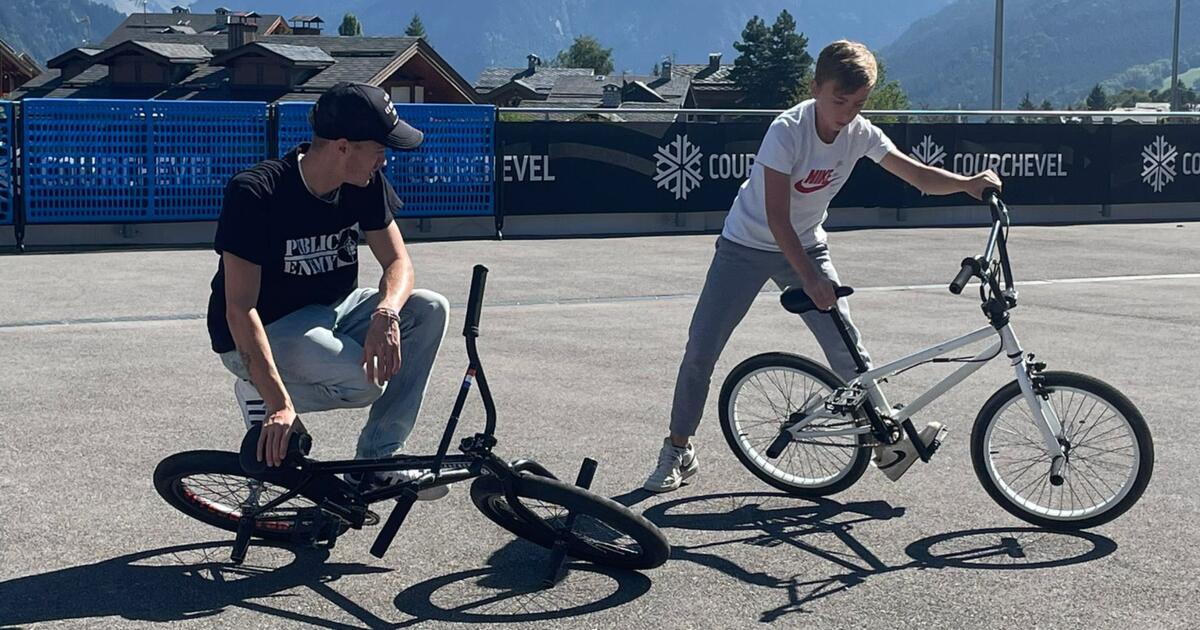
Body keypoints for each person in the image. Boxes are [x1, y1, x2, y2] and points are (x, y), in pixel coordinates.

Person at [644, 40, 1003, 493]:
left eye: (859, 104)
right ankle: (678, 449)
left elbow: (916, 175)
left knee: (847, 347)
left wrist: (968, 184)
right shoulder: (787, 130)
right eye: (840, 100)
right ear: (815, 88)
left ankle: (885, 443)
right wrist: (811, 279)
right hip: (745, 245)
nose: (848, 113)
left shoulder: (860, 133)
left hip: (807, 244)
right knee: (702, 347)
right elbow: (777, 218)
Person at [206, 81, 450, 499]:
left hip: (333, 312)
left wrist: (387, 312)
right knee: (365, 382)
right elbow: (240, 308)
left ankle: (377, 462)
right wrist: (280, 404)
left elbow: (398, 263)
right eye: (379, 148)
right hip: (265, 329)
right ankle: (259, 392)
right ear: (342, 147)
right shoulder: (256, 192)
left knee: (429, 308)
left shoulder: (364, 183)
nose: (384, 159)